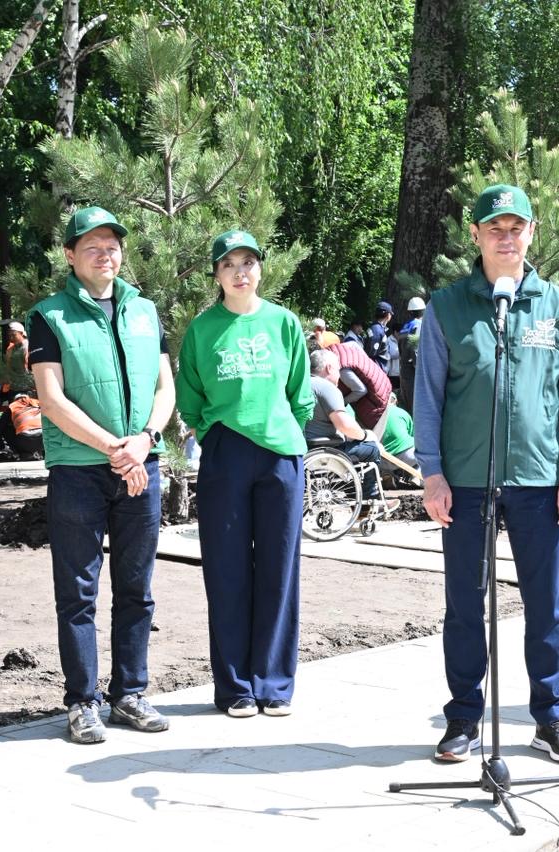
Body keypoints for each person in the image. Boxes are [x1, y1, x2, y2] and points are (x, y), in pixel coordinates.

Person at [416, 183, 559, 764]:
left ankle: (551, 716)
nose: (506, 237)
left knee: (545, 604)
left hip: (540, 478)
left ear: (532, 233)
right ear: (476, 235)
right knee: (465, 603)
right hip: (464, 480)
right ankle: (464, 715)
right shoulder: (447, 306)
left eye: (517, 227)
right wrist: (432, 473)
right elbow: (429, 398)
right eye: (495, 227)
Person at [28, 206, 175, 745]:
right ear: (70, 255)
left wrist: (146, 441)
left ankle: (129, 694)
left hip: (142, 467)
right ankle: (83, 701)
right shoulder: (49, 316)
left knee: (137, 588)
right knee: (78, 591)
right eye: (91, 245)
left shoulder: (145, 311)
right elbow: (51, 397)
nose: (104, 253)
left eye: (112, 244)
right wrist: (116, 448)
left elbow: (167, 388)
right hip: (79, 473)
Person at [175, 230, 314, 718]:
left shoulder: (283, 323)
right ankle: (235, 686)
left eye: (248, 262)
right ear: (217, 274)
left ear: (260, 269)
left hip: (280, 455)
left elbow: (301, 392)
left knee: (279, 568)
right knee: (227, 569)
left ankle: (274, 684)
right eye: (229, 263)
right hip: (225, 453)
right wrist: (215, 436)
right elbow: (189, 396)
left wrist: (281, 432)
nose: (240, 272)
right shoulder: (203, 329)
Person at [306, 347, 384, 502]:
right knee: (372, 450)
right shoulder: (326, 387)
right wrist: (366, 435)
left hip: (305, 448)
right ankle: (368, 500)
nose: (339, 376)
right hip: (326, 450)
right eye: (338, 370)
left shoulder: (299, 385)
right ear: (329, 368)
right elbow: (344, 425)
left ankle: (353, 496)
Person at [319, 335, 392, 431]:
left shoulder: (342, 370)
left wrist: (343, 402)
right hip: (384, 383)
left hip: (375, 403)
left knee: (371, 437)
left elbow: (361, 390)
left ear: (328, 367)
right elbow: (355, 345)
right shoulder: (340, 348)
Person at [0, 393, 44, 460]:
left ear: (15, 400)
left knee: (5, 428)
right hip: (43, 440)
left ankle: (21, 453)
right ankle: (41, 452)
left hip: (24, 441)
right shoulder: (38, 402)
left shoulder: (12, 406)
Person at [396, 296, 426, 414]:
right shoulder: (418, 326)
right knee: (416, 405)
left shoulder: (406, 326)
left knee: (407, 402)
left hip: (404, 369)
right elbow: (415, 349)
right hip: (413, 372)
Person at [379, 397, 418, 484]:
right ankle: (416, 475)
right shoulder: (401, 412)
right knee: (426, 449)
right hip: (407, 457)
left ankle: (387, 474)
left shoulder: (374, 414)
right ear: (395, 401)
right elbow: (412, 434)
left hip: (381, 460)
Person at [0, 320, 35, 399]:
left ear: (21, 333)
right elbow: (8, 368)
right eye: (9, 335)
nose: (11, 338)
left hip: (29, 385)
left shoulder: (29, 346)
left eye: (14, 335)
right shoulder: (10, 349)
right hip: (14, 385)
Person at [365, 301, 393, 373]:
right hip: (377, 371)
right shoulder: (377, 331)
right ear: (388, 315)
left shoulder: (377, 328)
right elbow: (372, 354)